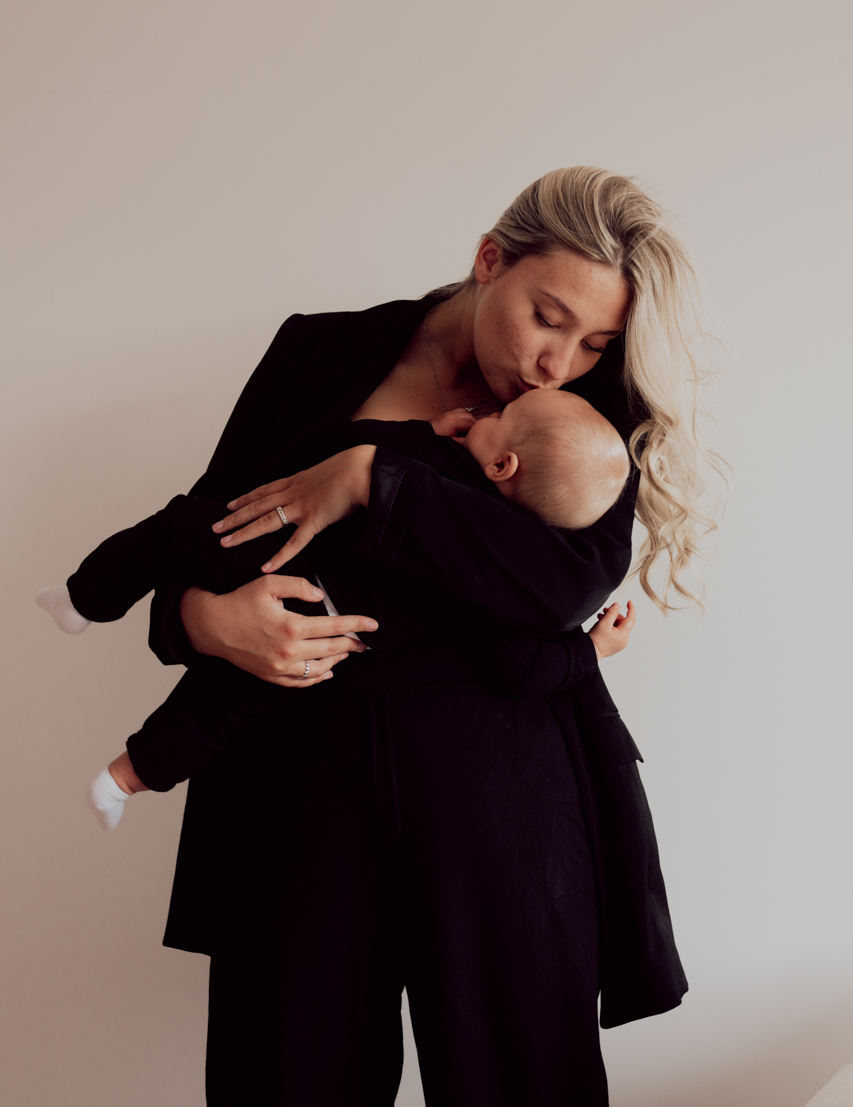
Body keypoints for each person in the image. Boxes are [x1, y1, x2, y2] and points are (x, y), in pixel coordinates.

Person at [101, 168, 718, 1105]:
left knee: (524, 1081)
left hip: (502, 791)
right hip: (292, 783)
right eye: (547, 318)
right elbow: (208, 529)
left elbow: (564, 583)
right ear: (489, 259)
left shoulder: (594, 405)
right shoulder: (318, 351)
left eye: (593, 342)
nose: (556, 364)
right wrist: (205, 620)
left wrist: (371, 480)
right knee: (283, 1081)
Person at [38, 389, 635, 828]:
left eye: (500, 418)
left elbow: (339, 454)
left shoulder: (442, 465)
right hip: (324, 638)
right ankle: (122, 780)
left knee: (172, 529)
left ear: (502, 465)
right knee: (224, 706)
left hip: (274, 558)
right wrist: (589, 650)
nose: (488, 414)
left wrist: (424, 429)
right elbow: (517, 667)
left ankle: (83, 599)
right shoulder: (506, 587)